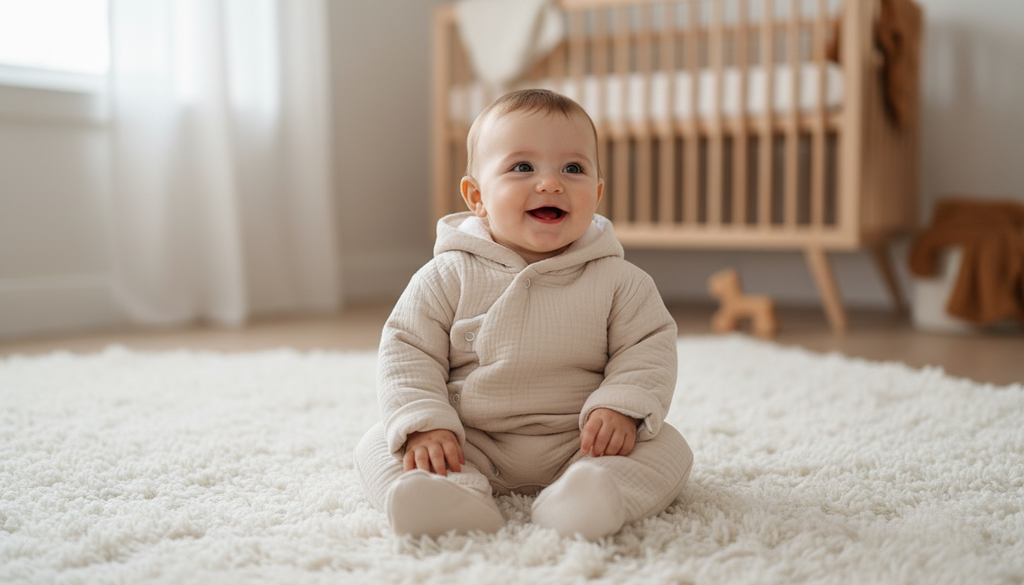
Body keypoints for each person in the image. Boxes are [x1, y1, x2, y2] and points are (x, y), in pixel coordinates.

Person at [354, 89, 693, 540]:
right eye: (522, 167)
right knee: (380, 443)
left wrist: (622, 406)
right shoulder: (446, 274)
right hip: (467, 439)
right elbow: (406, 349)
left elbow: (648, 348)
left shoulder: (620, 280)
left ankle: (588, 498)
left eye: (573, 168)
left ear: (596, 192)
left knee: (669, 447)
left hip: (583, 442)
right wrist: (425, 425)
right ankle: (448, 499)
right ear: (477, 196)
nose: (551, 183)